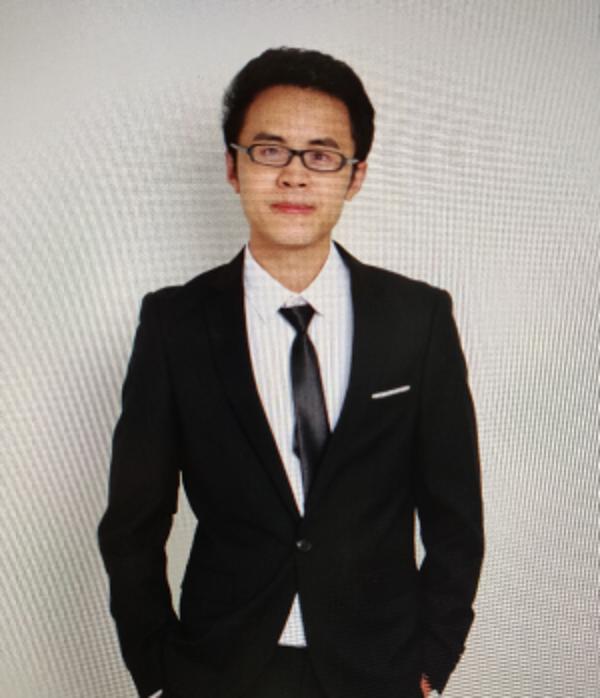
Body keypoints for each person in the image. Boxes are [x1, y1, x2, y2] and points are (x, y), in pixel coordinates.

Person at [98, 47, 484, 698]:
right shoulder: (175, 323)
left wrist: (431, 661)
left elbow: (456, 516)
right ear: (233, 166)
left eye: (322, 156)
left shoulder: (417, 319)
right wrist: (159, 674)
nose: (295, 177)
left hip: (379, 669)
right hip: (220, 669)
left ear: (355, 176)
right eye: (270, 151)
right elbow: (134, 523)